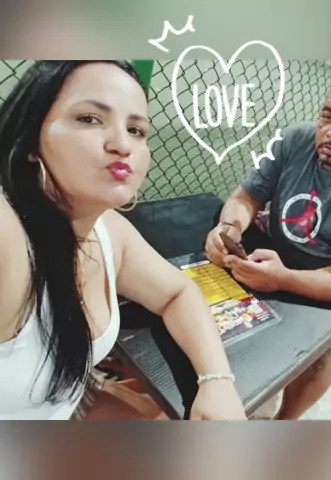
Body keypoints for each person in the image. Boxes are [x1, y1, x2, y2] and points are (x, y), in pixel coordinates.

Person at [0, 61, 246, 420]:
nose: (122, 144)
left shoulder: (109, 230)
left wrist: (217, 381)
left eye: (136, 130)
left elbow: (178, 292)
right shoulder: (9, 235)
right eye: (89, 119)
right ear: (31, 139)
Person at [205, 72, 331, 420]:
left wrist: (283, 278)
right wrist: (228, 228)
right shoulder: (294, 140)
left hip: (329, 275)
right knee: (203, 278)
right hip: (272, 238)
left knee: (317, 360)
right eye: (327, 116)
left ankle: (284, 421)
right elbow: (246, 197)